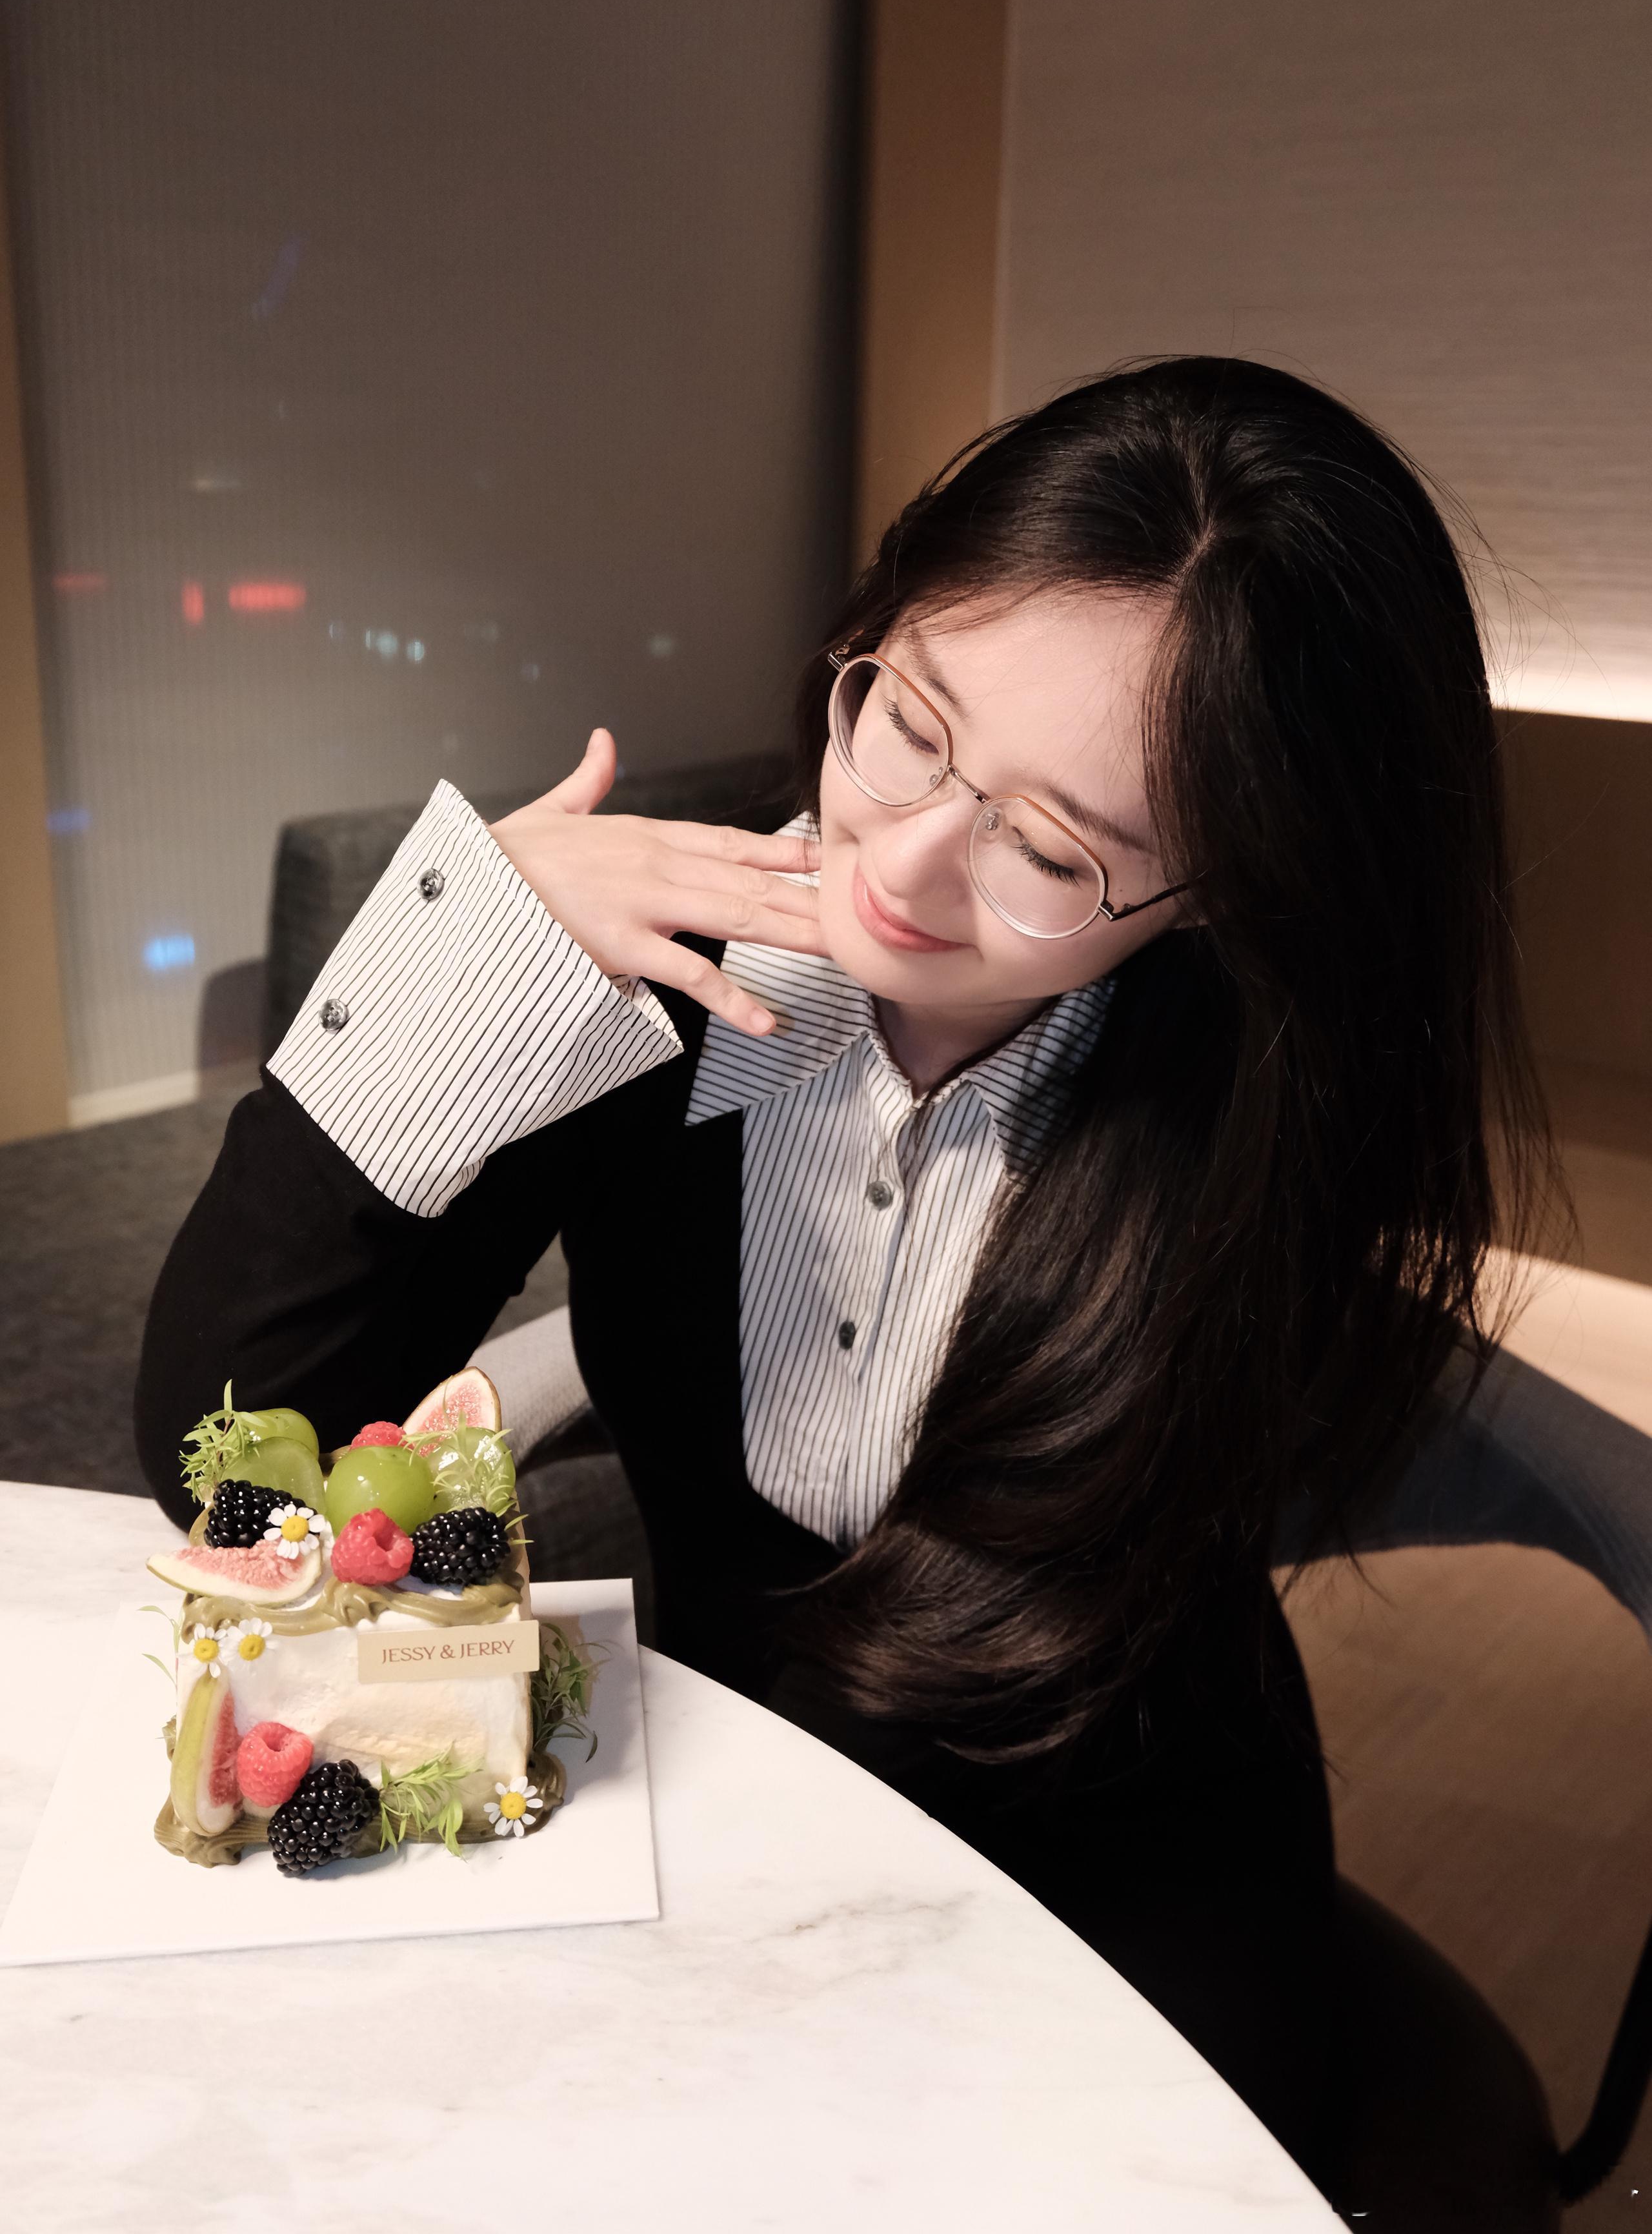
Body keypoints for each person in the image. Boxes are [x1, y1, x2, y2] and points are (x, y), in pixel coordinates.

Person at [136, 356, 1552, 2189]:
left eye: (1052, 847)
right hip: (743, 1801)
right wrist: (464, 959)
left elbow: (1078, 1572)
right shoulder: (644, 978)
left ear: (1219, 889)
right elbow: (231, 1449)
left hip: (1124, 1853)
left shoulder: (1249, 1093)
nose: (906, 860)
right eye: (908, 719)